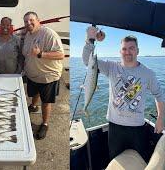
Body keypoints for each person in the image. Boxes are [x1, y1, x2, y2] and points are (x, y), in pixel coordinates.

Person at [83, 26, 165, 162]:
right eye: (124, 49)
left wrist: (161, 118)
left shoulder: (148, 73)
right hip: (115, 127)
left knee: (139, 161)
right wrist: (89, 38)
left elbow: (159, 95)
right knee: (115, 160)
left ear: (137, 50)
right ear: (120, 51)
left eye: (131, 48)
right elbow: (87, 61)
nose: (127, 52)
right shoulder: (111, 67)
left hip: (137, 128)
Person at [22, 12, 65, 140]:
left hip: (48, 76)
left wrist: (40, 54)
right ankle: (34, 106)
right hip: (33, 75)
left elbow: (60, 55)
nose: (28, 23)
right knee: (35, 93)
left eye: (31, 20)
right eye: (26, 21)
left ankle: (45, 124)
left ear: (38, 20)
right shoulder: (28, 35)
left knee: (46, 102)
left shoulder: (48, 34)